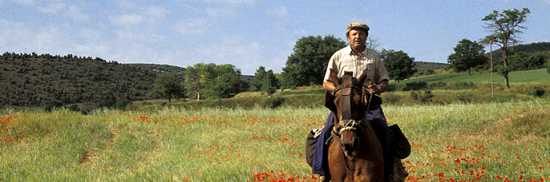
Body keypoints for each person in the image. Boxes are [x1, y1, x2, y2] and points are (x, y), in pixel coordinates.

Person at [314, 21, 393, 180]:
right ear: (348, 37)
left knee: (385, 131)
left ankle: (391, 171)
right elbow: (326, 82)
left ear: (366, 37)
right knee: (324, 133)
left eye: (361, 34)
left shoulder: (374, 57)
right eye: (354, 34)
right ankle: (322, 171)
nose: (358, 37)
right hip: (343, 104)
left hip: (369, 104)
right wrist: (337, 90)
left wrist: (377, 88)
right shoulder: (338, 56)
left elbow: (384, 81)